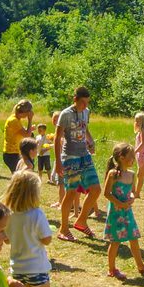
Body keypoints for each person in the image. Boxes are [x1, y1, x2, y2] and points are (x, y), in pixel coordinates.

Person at [2, 171, 54, 287]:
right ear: (34, 193)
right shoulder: (37, 214)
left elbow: (6, 240)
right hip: (37, 269)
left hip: (18, 271)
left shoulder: (8, 216)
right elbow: (46, 239)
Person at [103, 143, 144, 279]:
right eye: (131, 157)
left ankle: (141, 266)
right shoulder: (113, 174)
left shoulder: (132, 174)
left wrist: (132, 198)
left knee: (134, 238)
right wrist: (120, 203)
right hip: (116, 212)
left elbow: (132, 192)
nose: (134, 159)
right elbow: (106, 193)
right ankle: (111, 269)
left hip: (127, 212)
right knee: (115, 241)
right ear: (121, 157)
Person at [54, 87, 102, 242]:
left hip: (85, 156)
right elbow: (57, 138)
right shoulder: (65, 114)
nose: (85, 106)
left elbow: (85, 128)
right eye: (83, 102)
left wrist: (91, 141)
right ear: (75, 99)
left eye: (87, 103)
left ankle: (81, 221)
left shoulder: (86, 112)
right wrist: (59, 164)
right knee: (72, 192)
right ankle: (63, 229)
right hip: (70, 157)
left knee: (95, 189)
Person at [1, 100, 34, 174]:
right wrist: (30, 120)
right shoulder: (14, 120)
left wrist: (30, 129)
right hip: (11, 154)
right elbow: (27, 135)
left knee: (20, 173)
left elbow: (21, 133)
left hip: (15, 152)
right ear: (26, 112)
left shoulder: (16, 119)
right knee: (19, 175)